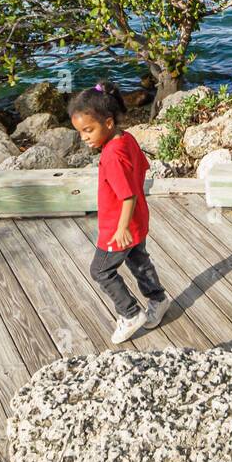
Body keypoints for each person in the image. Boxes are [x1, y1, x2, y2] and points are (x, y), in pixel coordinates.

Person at [69, 80, 169, 345]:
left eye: (88, 130)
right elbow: (141, 172)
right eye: (80, 132)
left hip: (118, 226)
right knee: (138, 261)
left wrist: (121, 228)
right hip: (138, 219)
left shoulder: (112, 155)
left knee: (101, 271)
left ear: (109, 122)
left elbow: (127, 195)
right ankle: (157, 299)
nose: (84, 137)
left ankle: (130, 312)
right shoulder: (126, 139)